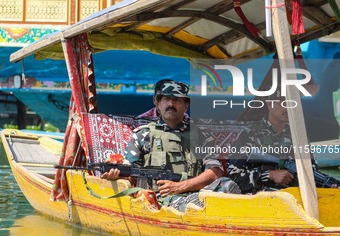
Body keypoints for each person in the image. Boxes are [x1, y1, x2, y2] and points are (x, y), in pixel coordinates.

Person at [102, 80, 240, 211]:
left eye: (177, 100)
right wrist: (116, 176)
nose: (171, 104)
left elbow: (215, 172)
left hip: (197, 193)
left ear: (186, 105)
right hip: (161, 199)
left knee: (226, 184)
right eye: (166, 99)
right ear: (157, 103)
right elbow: (130, 175)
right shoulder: (143, 135)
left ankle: (197, 203)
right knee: (190, 203)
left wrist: (180, 187)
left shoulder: (201, 136)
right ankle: (194, 205)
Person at [226, 91, 339, 194]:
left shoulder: (298, 136)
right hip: (260, 202)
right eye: (282, 102)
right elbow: (234, 178)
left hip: (295, 200)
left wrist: (327, 186)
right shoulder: (249, 134)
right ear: (269, 104)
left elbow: (312, 173)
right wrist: (269, 175)